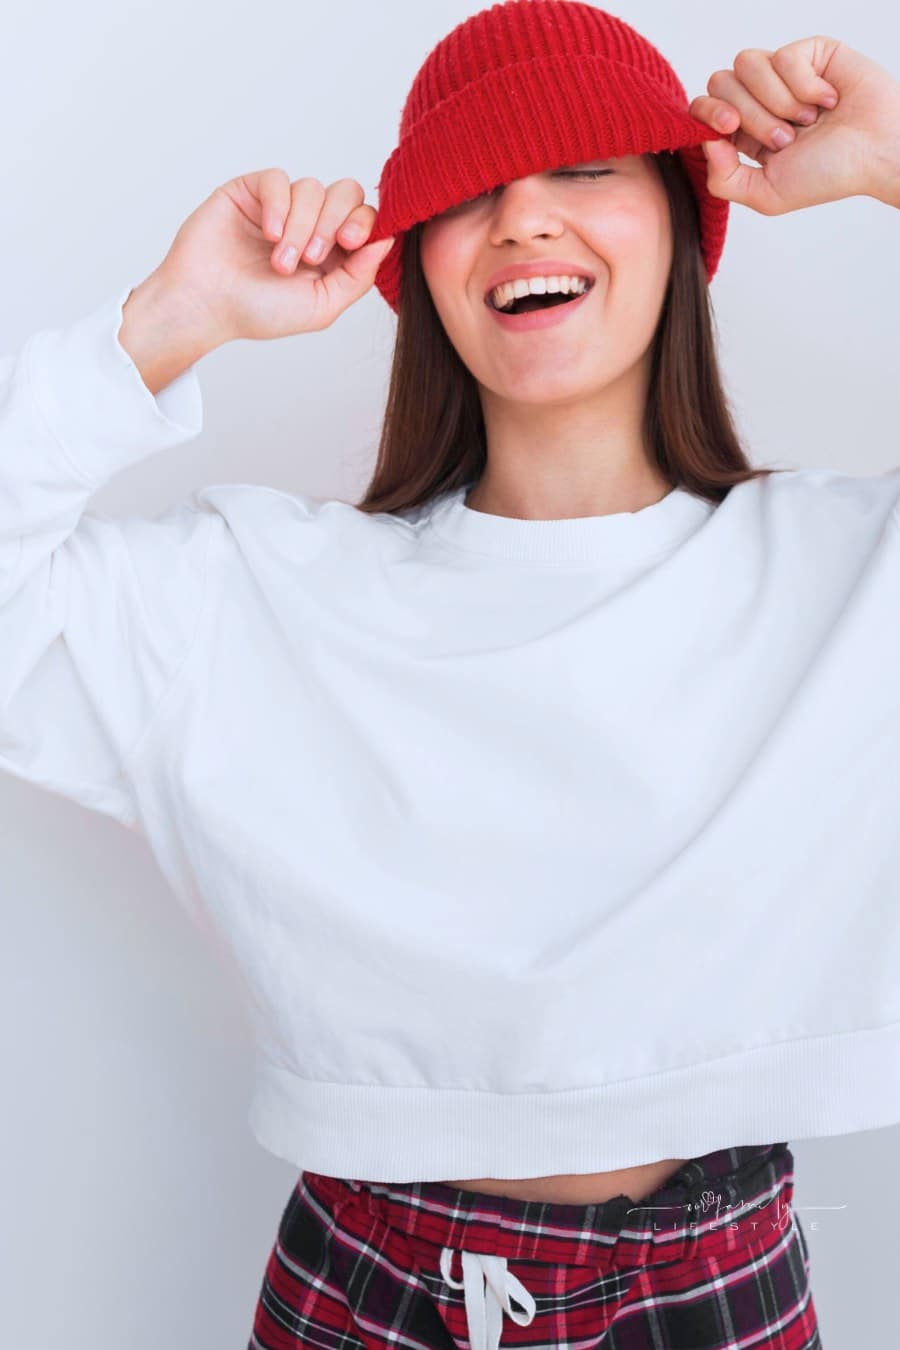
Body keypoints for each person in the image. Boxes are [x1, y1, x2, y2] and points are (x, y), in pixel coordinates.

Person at [3, 1, 899, 1345]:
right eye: (472, 192)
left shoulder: (847, 571)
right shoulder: (255, 593)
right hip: (365, 1287)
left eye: (586, 168)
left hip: (715, 1287)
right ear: (416, 262)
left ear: (682, 216)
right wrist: (166, 321)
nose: (526, 218)